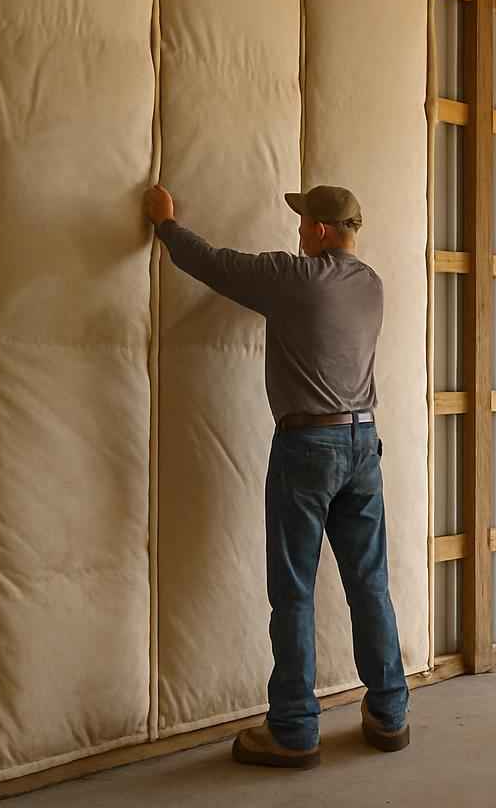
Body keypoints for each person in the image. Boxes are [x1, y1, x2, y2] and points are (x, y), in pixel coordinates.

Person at [144, 183, 410, 770]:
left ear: (318, 230)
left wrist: (165, 225)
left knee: (293, 589)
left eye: (301, 224)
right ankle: (390, 713)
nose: (296, 233)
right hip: (364, 441)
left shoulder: (293, 278)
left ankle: (293, 728)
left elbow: (210, 263)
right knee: (369, 582)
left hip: (308, 446)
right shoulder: (371, 285)